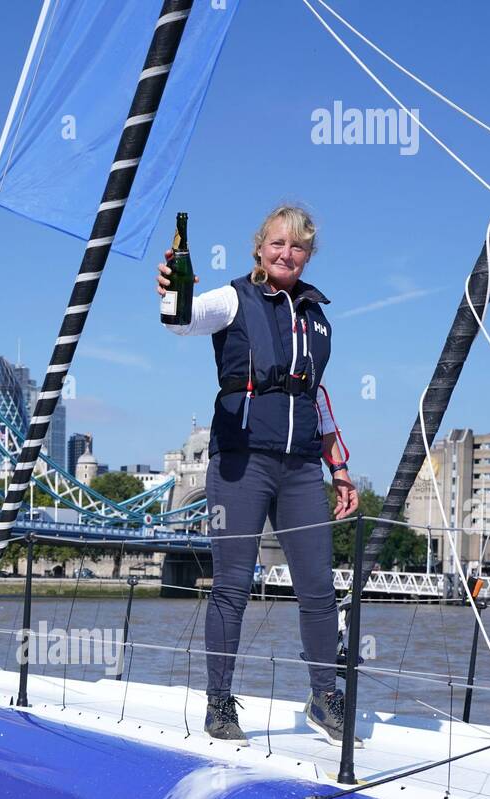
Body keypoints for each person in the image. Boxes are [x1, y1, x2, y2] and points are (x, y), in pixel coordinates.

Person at [157, 203, 359, 744]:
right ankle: (219, 704)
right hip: (241, 461)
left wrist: (339, 469)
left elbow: (317, 398)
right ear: (259, 249)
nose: (286, 253)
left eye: (297, 246)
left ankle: (324, 698)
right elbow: (180, 321)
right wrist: (172, 292)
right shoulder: (233, 298)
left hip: (299, 469)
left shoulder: (318, 317)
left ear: (308, 255)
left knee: (318, 587)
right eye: (277, 244)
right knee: (231, 586)